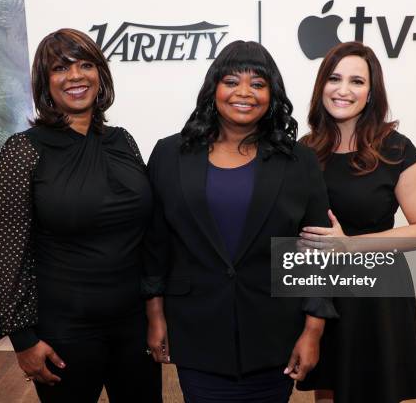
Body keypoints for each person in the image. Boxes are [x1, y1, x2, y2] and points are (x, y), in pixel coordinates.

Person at [141, 40, 338, 403]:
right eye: (231, 81)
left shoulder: (299, 161)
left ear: (271, 94)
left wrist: (313, 330)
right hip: (196, 331)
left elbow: (317, 253)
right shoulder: (170, 154)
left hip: (274, 335)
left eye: (258, 84)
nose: (244, 92)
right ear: (213, 87)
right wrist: (155, 315)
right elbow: (155, 243)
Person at [0, 28, 161, 403]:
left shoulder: (124, 141)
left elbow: (147, 234)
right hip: (64, 332)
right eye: (60, 69)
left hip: (133, 324)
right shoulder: (22, 151)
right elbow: (6, 255)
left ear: (101, 74)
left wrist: (156, 312)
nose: (76, 76)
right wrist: (23, 340)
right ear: (45, 82)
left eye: (85, 65)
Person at [296, 41, 416, 402]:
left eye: (357, 81)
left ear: (371, 92)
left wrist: (350, 245)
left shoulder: (395, 149)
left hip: (376, 294)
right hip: (321, 292)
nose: (343, 89)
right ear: (321, 86)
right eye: (334, 78)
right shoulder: (306, 150)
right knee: (327, 391)